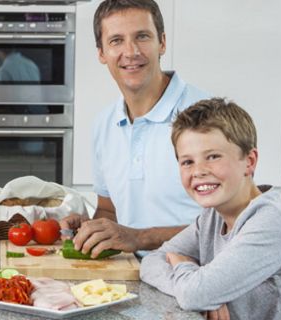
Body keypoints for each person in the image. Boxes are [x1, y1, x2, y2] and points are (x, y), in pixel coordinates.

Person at [60, 0, 209, 257]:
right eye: (116, 40)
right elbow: (110, 211)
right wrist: (92, 228)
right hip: (132, 275)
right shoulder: (105, 124)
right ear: (101, 53)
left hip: (197, 278)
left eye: (142, 36)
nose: (131, 52)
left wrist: (140, 238)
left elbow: (234, 225)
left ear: (161, 42)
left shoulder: (207, 118)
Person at [140, 98, 281, 320]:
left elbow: (194, 294)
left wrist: (185, 266)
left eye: (213, 156)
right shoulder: (212, 216)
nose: (198, 171)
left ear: (249, 161)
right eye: (187, 162)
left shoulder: (273, 219)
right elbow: (151, 262)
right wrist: (198, 284)